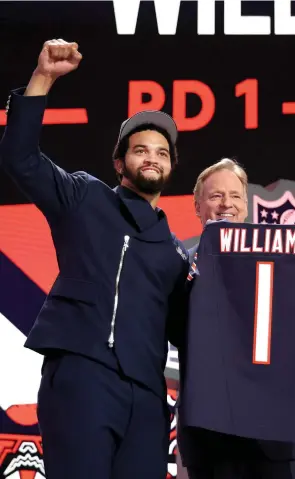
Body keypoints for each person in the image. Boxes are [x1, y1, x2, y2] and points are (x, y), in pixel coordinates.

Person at [0, 39, 189, 479]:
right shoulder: (85, 197)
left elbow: (196, 333)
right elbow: (20, 159)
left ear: (169, 170)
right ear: (120, 163)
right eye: (141, 149)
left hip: (146, 397)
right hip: (83, 374)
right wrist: (43, 78)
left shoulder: (177, 254)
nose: (152, 158)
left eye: (162, 153)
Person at [177, 158, 295, 479]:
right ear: (197, 206)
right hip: (211, 439)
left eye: (235, 195)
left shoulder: (290, 257)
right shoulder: (180, 264)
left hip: (279, 437)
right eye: (215, 196)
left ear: (247, 203)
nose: (226, 203)